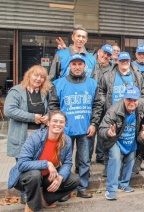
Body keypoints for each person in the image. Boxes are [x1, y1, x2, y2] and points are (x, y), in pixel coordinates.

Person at [49, 54, 103, 198]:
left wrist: (94, 123)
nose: (77, 67)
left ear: (85, 66)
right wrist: (57, 125)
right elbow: (53, 106)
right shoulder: (59, 84)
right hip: (64, 130)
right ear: (69, 66)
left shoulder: (92, 83)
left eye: (80, 64)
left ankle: (82, 187)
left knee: (84, 160)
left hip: (85, 129)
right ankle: (65, 189)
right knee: (62, 161)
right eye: (74, 64)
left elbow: (98, 106)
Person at [7, 110, 80, 212]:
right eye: (55, 121)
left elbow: (67, 163)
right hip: (26, 178)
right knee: (35, 174)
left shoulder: (66, 140)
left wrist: (60, 176)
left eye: (61, 122)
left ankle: (45, 199)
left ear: (65, 124)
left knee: (75, 179)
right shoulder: (35, 138)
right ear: (48, 123)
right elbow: (22, 164)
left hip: (46, 177)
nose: (58, 124)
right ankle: (34, 206)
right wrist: (47, 164)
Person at [99, 86, 144, 200]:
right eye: (129, 99)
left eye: (134, 100)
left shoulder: (141, 103)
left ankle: (124, 184)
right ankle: (110, 189)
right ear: (124, 99)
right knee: (115, 158)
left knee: (131, 159)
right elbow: (101, 129)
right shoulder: (114, 110)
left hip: (130, 138)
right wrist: (108, 132)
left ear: (138, 99)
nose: (132, 102)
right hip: (116, 139)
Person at [4, 65, 51, 204]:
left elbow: (46, 110)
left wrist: (47, 117)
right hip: (22, 137)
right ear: (28, 75)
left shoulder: (42, 93)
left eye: (42, 77)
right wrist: (33, 117)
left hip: (39, 137)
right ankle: (25, 193)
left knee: (36, 166)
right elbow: (9, 110)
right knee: (24, 166)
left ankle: (35, 192)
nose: (38, 79)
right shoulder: (17, 91)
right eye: (35, 75)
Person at [98, 52, 144, 177]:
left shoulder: (137, 75)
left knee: (130, 139)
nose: (124, 62)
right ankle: (108, 168)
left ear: (130, 61)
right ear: (117, 61)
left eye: (127, 60)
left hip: (131, 113)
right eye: (122, 60)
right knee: (111, 140)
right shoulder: (108, 75)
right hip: (115, 113)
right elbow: (101, 90)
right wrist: (106, 104)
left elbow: (143, 93)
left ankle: (128, 169)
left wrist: (140, 107)